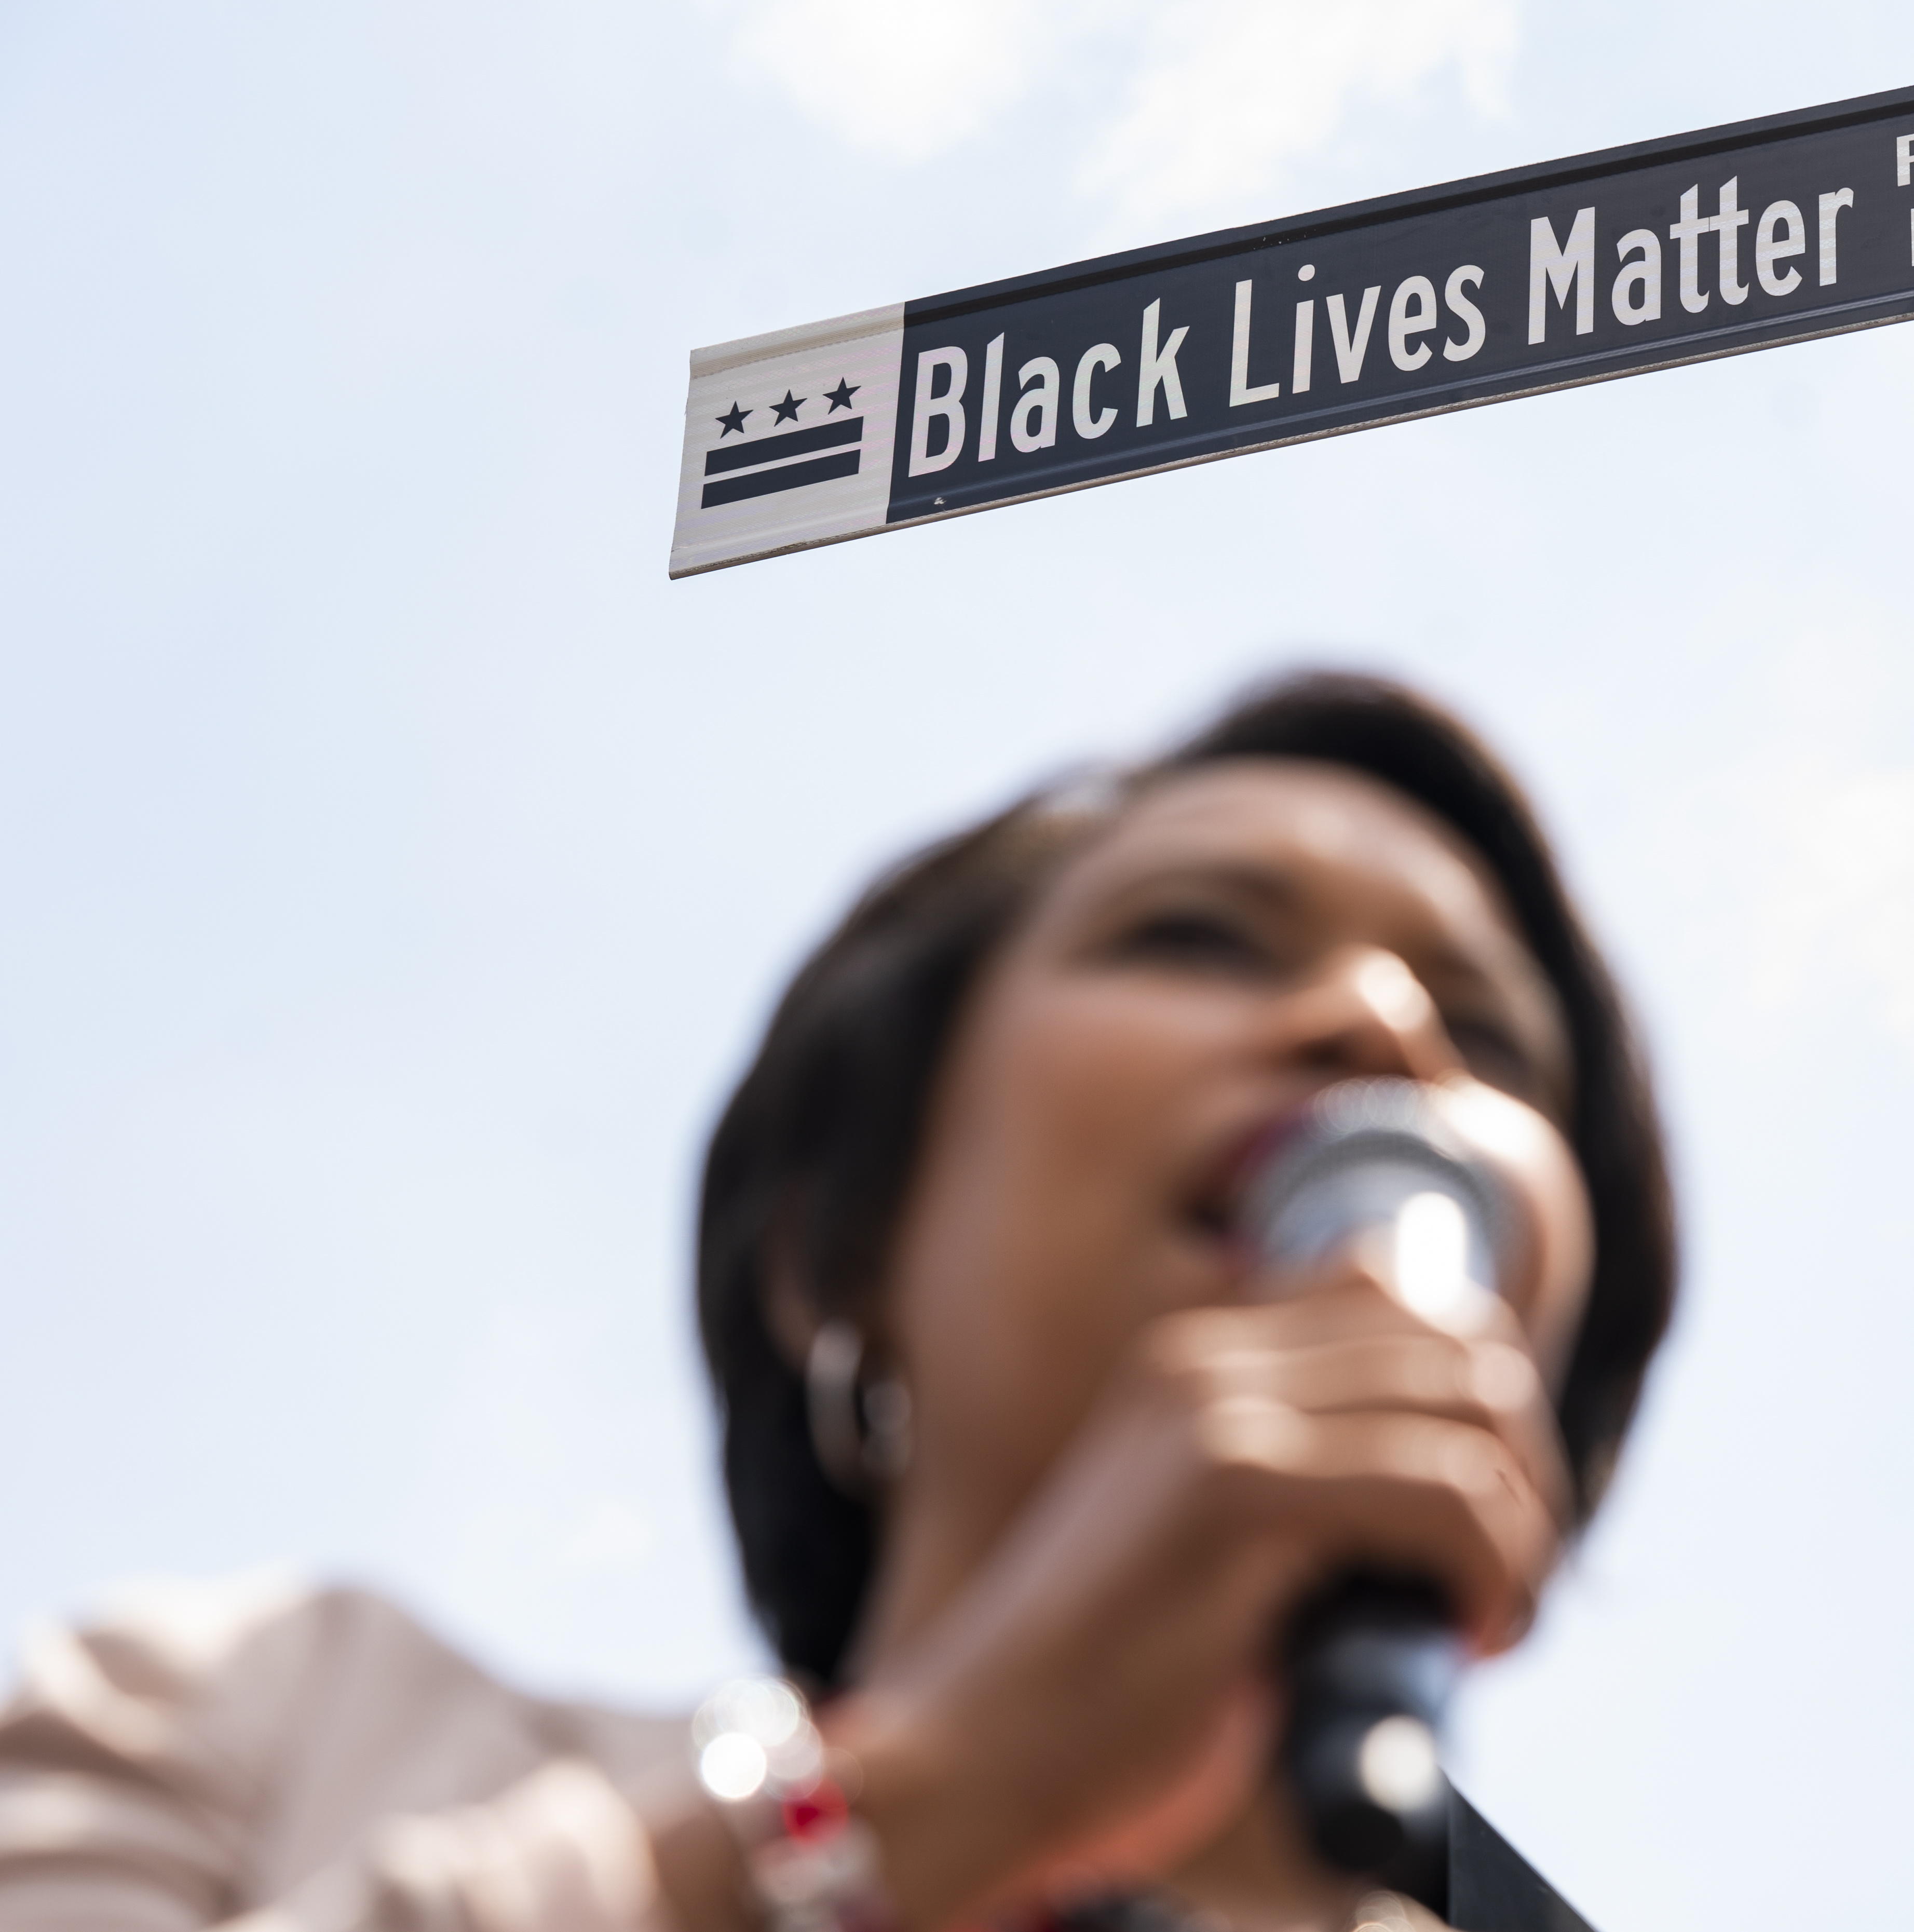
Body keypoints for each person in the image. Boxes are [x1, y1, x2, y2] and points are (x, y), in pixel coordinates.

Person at [0, 674, 1677, 1932]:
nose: (1380, 1024)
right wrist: (926, 1802)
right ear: (834, 1260)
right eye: (1198, 936)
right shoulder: (267, 1722)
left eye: (1489, 1032)